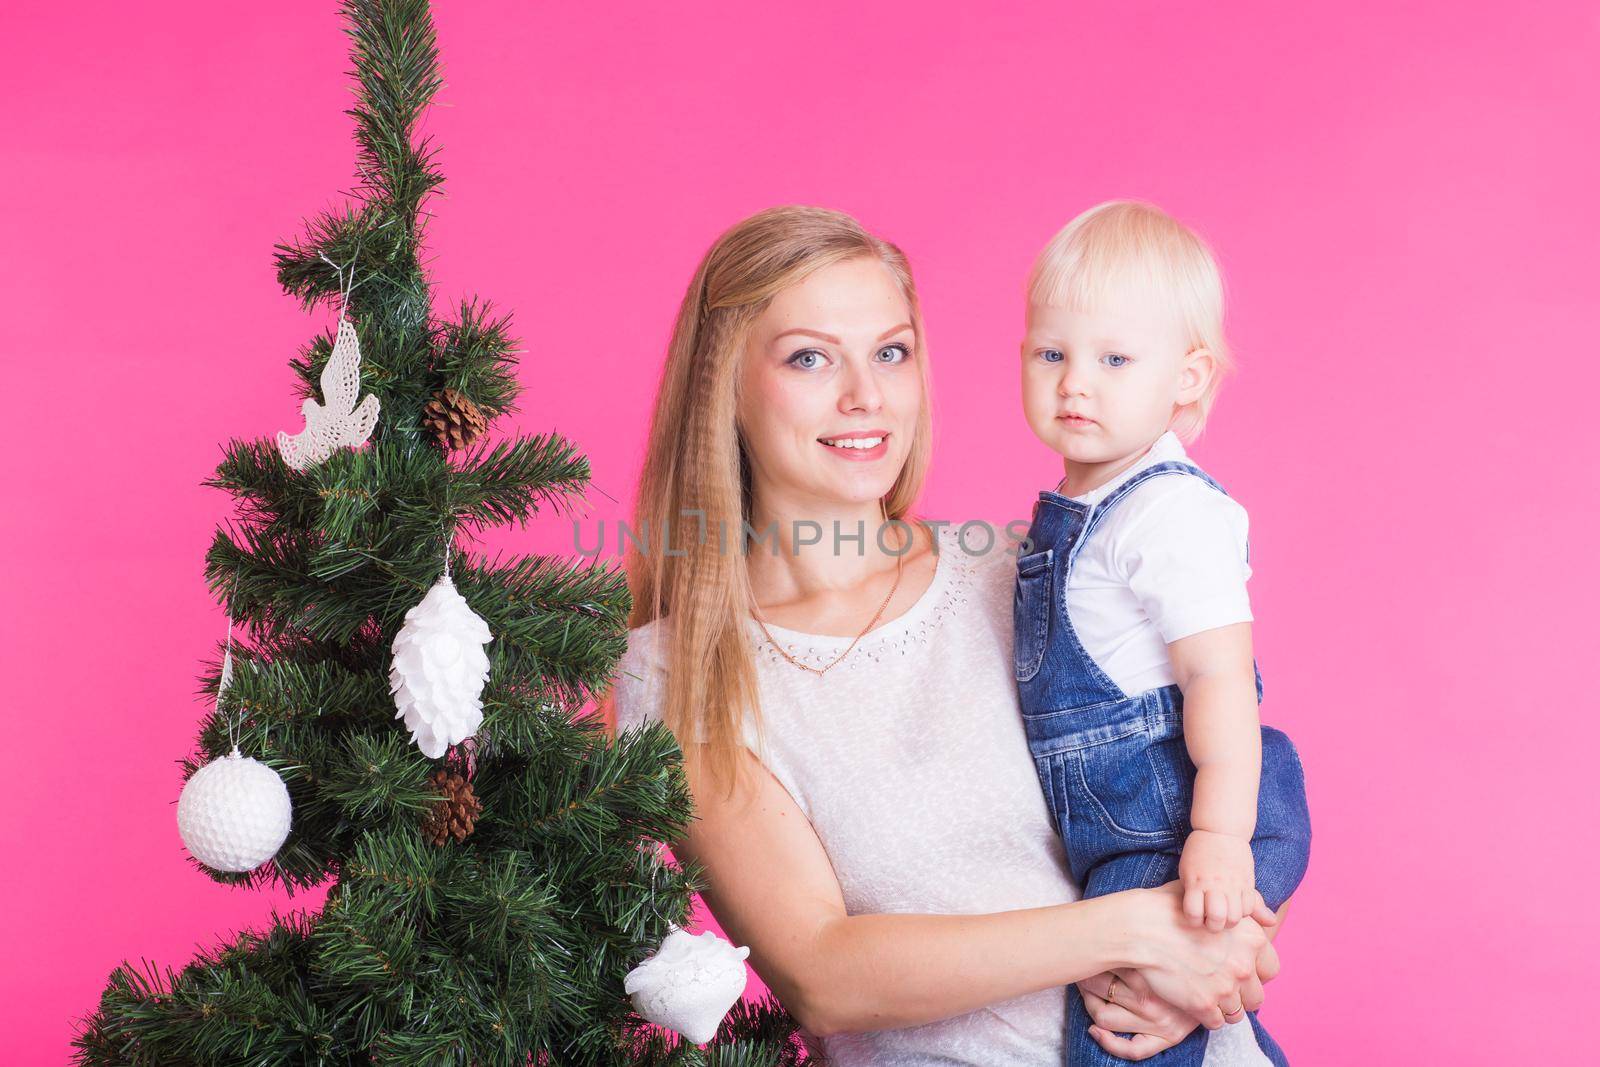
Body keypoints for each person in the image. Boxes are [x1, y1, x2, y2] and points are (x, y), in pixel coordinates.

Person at [609, 204, 1284, 1065]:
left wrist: (1223, 954)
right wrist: (1139, 933)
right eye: (810, 357)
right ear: (725, 385)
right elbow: (825, 972)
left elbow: (1229, 781)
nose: (866, 395)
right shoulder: (682, 673)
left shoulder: (1029, 574)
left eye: (890, 352)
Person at [1013, 200, 1311, 1066]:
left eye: (1113, 358)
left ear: (1187, 377)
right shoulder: (1085, 506)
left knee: (1119, 1033)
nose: (1075, 381)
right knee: (1177, 1023)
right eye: (1051, 353)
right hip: (1118, 829)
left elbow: (1221, 678)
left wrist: (1215, 838)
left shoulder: (1167, 511)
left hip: (1164, 826)